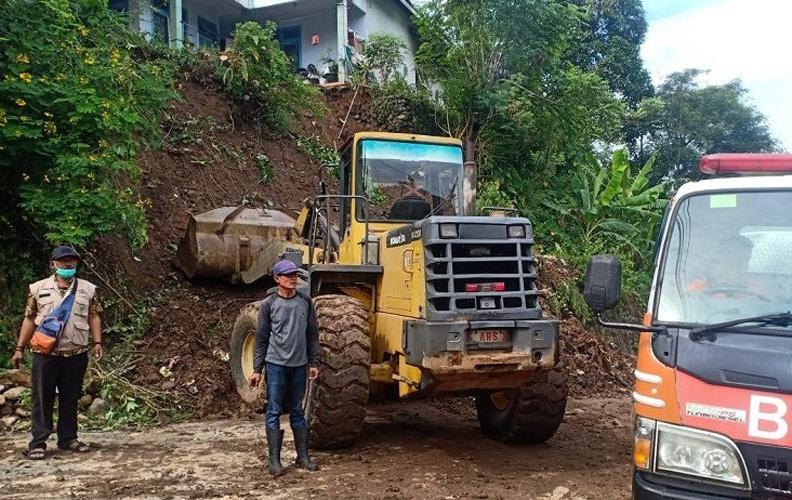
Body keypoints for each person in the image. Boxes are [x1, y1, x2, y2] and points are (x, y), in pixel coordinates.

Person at [11, 245, 103, 460]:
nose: (67, 265)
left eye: (71, 262)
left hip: (76, 353)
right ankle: (38, 442)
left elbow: (94, 316)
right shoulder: (38, 289)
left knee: (70, 398)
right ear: (53, 264)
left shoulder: (88, 289)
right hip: (45, 355)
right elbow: (30, 318)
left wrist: (98, 342)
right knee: (42, 398)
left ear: (76, 264)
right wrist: (19, 348)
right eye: (62, 262)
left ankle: (68, 438)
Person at [249, 259, 320, 477]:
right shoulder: (269, 305)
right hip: (276, 364)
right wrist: (257, 369)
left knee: (297, 410)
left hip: (299, 365)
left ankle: (303, 457)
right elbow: (261, 339)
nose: (293, 278)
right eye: (288, 275)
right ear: (277, 279)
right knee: (274, 410)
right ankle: (274, 461)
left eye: (295, 275)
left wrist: (314, 362)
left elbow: (312, 335)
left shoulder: (305, 302)